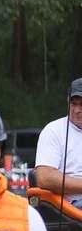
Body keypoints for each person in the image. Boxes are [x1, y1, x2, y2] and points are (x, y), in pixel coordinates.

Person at [34, 78, 82, 206]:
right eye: (73, 104)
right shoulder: (54, 131)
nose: (77, 110)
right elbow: (44, 178)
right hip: (70, 206)